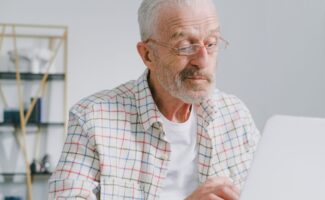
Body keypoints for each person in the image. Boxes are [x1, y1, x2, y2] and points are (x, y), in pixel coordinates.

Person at [48, 0, 261, 199]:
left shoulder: (235, 115)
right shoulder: (92, 119)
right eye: (186, 46)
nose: (203, 60)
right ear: (148, 55)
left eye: (212, 43)